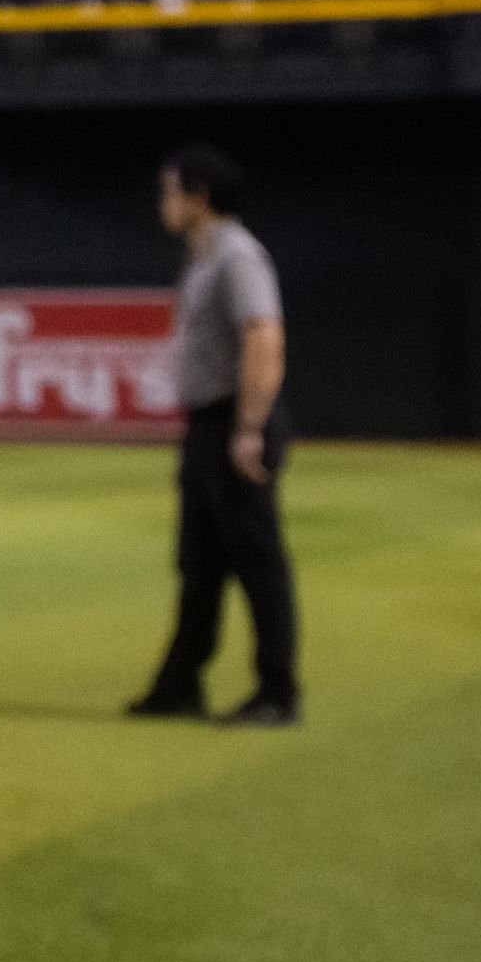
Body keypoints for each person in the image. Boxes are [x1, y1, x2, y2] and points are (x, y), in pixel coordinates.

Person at [126, 144, 298, 723]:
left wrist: (248, 429)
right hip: (208, 424)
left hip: (235, 421)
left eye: (169, 192)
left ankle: (278, 692)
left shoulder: (237, 257)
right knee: (198, 562)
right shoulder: (205, 257)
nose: (163, 204)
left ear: (198, 197)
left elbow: (264, 337)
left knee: (257, 562)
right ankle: (180, 683)